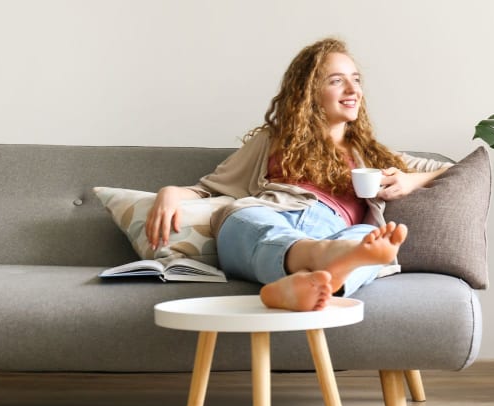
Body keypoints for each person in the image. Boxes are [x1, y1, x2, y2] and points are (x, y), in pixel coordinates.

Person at [144, 38, 450, 311]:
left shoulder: (371, 153)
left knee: (366, 241)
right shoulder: (273, 139)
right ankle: (324, 259)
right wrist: (169, 192)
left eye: (355, 80)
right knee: (247, 223)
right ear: (309, 91)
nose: (353, 90)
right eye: (337, 81)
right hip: (269, 214)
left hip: (331, 228)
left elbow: (452, 169)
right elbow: (206, 189)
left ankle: (299, 283)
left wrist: (410, 180)